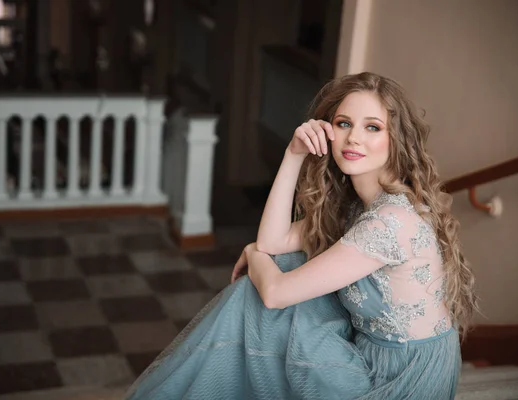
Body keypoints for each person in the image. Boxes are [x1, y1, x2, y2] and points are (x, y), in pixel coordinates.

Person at [123, 72, 478, 399]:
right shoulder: (356, 207)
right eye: (344, 123)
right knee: (273, 277)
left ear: (396, 140)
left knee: (266, 291)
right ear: (328, 131)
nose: (354, 137)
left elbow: (275, 289)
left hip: (403, 376)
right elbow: (272, 241)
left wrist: (255, 254)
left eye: (373, 127)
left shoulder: (389, 221)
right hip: (368, 353)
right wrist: (293, 155)